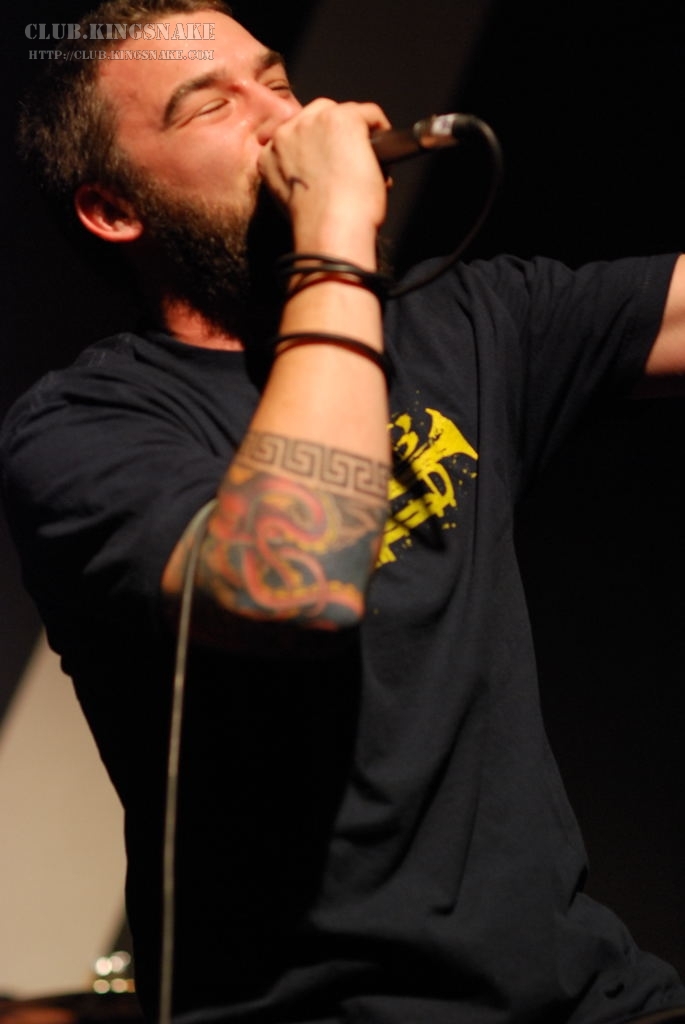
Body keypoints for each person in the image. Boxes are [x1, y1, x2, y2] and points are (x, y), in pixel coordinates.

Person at [2, 2, 685, 1022]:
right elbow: (296, 587)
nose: (286, 118)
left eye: (276, 81)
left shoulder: (462, 321)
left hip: (597, 998)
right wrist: (335, 241)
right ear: (113, 209)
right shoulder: (85, 427)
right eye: (211, 106)